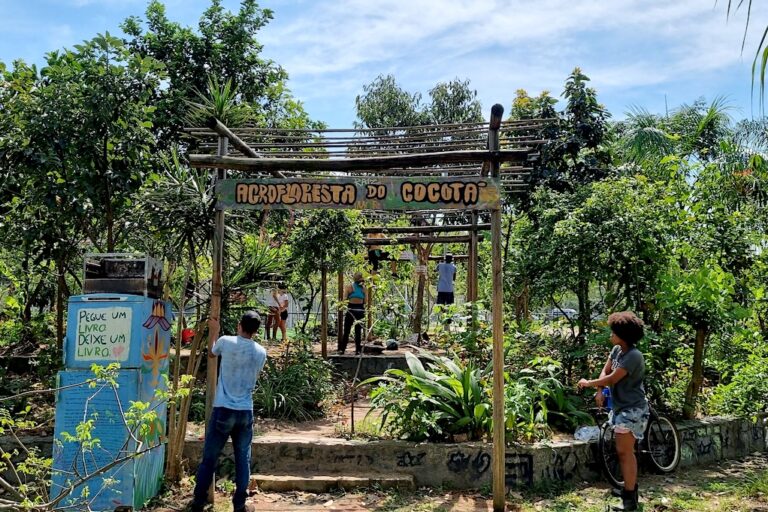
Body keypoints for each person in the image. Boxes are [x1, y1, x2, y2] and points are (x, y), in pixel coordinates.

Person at [190, 312, 267, 512]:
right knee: (243, 459)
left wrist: (214, 331)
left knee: (210, 458)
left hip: (223, 408)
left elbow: (211, 353)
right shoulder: (260, 352)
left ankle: (198, 502)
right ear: (256, 331)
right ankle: (239, 505)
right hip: (245, 411)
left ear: (239, 325)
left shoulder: (225, 341)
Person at [578, 311, 648, 511]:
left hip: (632, 409)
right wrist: (600, 390)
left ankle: (630, 500)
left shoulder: (634, 356)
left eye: (613, 332)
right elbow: (606, 371)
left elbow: (613, 378)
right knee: (622, 451)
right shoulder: (617, 350)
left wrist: (588, 383)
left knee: (625, 452)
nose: (611, 336)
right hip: (619, 406)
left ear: (623, 335)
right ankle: (628, 489)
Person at [339, 272, 366, 355]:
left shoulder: (353, 287)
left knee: (350, 330)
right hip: (357, 309)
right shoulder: (360, 288)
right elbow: (365, 301)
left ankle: (348, 349)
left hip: (354, 309)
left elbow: (344, 299)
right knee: (353, 330)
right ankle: (350, 349)